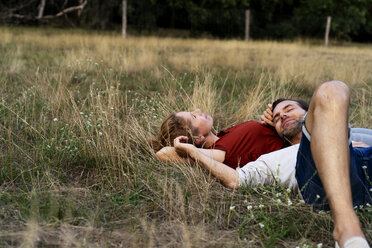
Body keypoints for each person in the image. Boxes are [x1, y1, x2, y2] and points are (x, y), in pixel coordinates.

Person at [173, 81, 371, 247]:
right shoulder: (279, 158)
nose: (282, 116)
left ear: (310, 113)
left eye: (289, 109)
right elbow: (236, 179)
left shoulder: (352, 134)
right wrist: (191, 152)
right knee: (332, 89)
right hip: (326, 177)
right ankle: (346, 228)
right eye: (276, 118)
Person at [150, 109, 286, 169]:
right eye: (194, 117)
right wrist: (186, 150)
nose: (197, 110)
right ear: (198, 138)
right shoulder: (219, 153)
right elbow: (163, 154)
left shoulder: (223, 136)